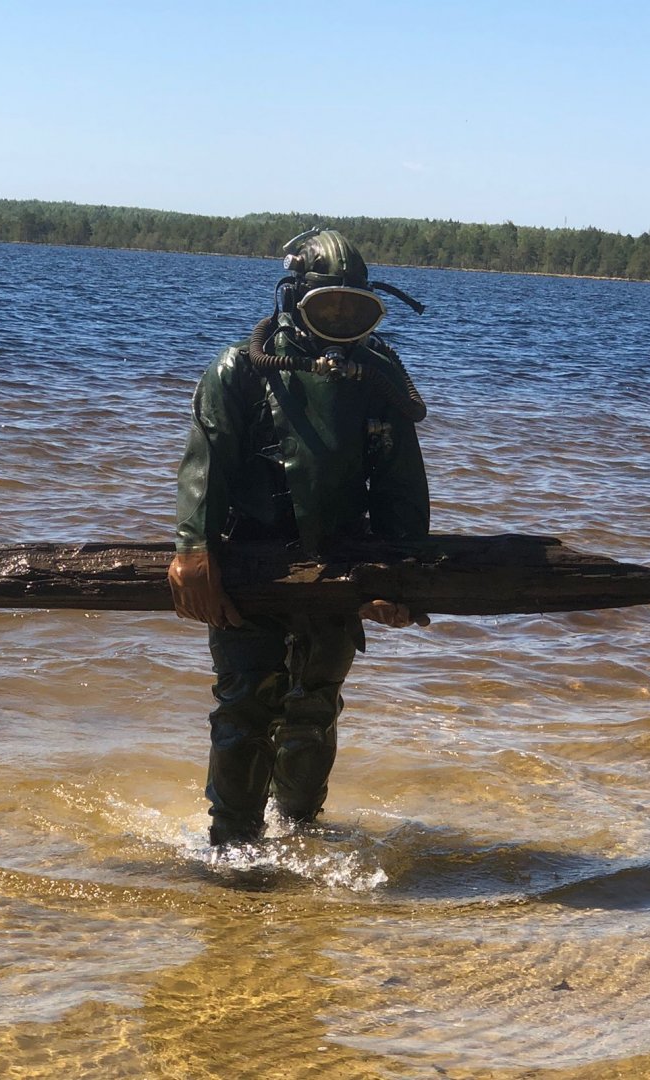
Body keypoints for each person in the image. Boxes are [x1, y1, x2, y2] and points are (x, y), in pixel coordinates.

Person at [168, 227, 431, 846]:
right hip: (248, 563)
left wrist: (400, 578)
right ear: (293, 301)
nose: (338, 323)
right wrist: (194, 551)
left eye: (353, 310)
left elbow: (400, 486)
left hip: (342, 564)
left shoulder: (379, 377)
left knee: (315, 704)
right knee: (245, 704)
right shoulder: (240, 368)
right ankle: (233, 847)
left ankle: (300, 834)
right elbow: (205, 463)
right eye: (326, 308)